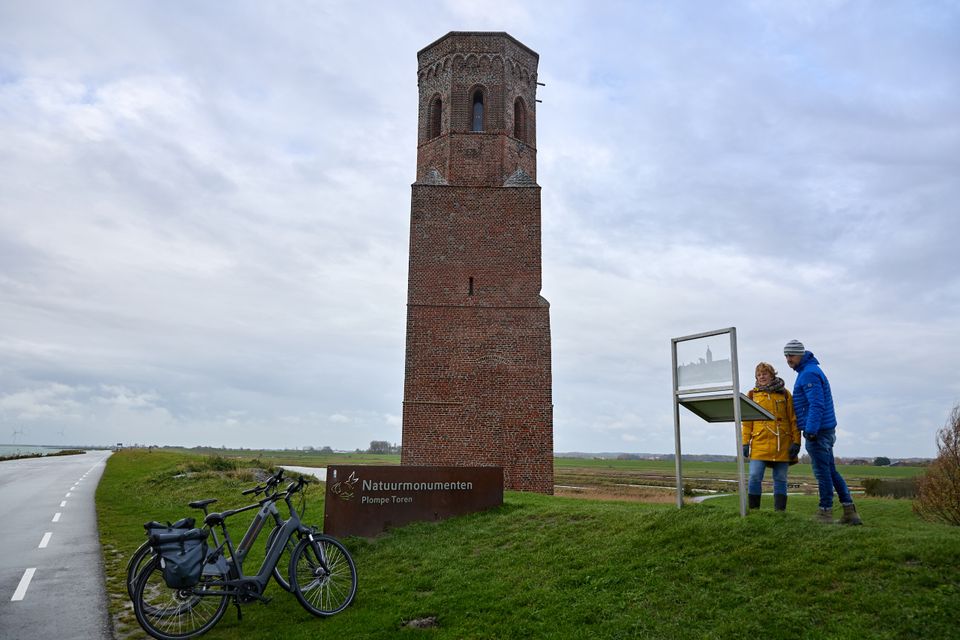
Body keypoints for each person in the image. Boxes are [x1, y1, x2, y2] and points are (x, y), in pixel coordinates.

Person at [784, 339, 863, 525]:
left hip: (818, 432)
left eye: (791, 355)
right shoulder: (808, 370)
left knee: (822, 474)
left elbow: (816, 404)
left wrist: (811, 430)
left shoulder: (809, 374)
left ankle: (825, 513)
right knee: (832, 472)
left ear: (801, 354)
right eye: (786, 355)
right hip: (824, 429)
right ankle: (850, 513)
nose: (788, 359)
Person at [742, 362, 800, 511]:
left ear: (772, 375)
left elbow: (793, 419)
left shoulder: (785, 394)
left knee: (780, 479)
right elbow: (747, 422)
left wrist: (797, 441)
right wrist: (745, 442)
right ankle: (754, 511)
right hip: (759, 443)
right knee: (754, 476)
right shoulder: (752, 395)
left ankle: (779, 513)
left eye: (765, 374)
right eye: (759, 374)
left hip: (783, 443)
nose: (762, 377)